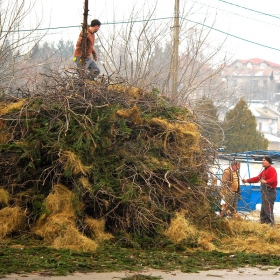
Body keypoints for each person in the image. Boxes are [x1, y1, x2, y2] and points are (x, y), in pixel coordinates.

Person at [242, 156, 278, 226]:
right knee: (263, 210)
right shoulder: (264, 170)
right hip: (265, 193)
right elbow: (257, 178)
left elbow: (274, 179)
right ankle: (263, 224)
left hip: (270, 192)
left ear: (268, 162)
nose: (262, 161)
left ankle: (271, 225)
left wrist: (266, 181)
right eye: (262, 160)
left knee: (268, 209)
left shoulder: (271, 169)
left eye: (264, 160)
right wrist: (247, 180)